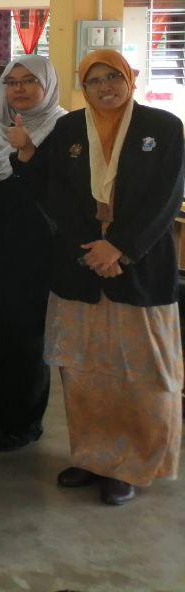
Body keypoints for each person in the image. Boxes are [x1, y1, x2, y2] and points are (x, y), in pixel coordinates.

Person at [11, 49, 184, 506]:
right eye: (94, 80)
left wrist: (121, 246)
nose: (105, 87)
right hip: (82, 263)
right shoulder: (70, 129)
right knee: (85, 372)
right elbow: (53, 193)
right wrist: (91, 246)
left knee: (143, 374)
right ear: (83, 87)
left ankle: (130, 465)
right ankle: (92, 459)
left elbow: (167, 197)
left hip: (141, 264)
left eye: (113, 77)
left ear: (129, 78)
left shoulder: (164, 127)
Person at [0, 55, 64, 451]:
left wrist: (27, 153)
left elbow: (60, 193)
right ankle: (0, 409)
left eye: (29, 81)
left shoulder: (61, 128)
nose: (19, 89)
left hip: (35, 248)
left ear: (47, 86)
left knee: (27, 337)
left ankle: (26, 421)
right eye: (12, 81)